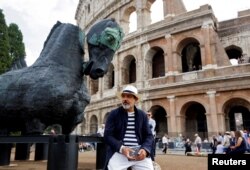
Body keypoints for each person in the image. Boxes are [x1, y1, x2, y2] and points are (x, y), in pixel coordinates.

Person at [104, 85, 154, 170]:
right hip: (120, 152)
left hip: (139, 152)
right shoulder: (114, 114)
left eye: (129, 96)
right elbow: (107, 135)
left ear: (136, 100)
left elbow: (149, 135)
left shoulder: (142, 115)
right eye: (123, 96)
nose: (125, 99)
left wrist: (145, 149)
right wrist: (122, 148)